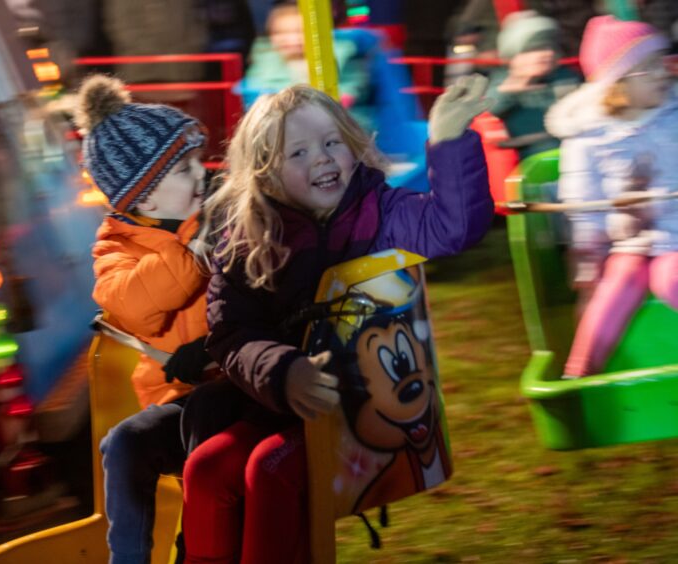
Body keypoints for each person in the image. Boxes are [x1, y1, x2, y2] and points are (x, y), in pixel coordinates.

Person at [181, 75, 495, 564]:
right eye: (299, 153)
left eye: (331, 143)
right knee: (206, 469)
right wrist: (283, 371)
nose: (323, 159)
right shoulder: (249, 239)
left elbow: (452, 228)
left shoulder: (380, 211)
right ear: (265, 173)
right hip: (279, 399)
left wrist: (449, 137)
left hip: (361, 408)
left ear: (352, 145)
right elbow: (232, 331)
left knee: (269, 467)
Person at [75, 75, 215, 563]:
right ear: (144, 198)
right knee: (124, 443)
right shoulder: (116, 247)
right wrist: (194, 256)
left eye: (197, 159)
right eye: (183, 168)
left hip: (240, 382)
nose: (200, 173)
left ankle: (194, 551)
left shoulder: (222, 214)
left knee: (206, 433)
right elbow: (130, 305)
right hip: (179, 393)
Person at [544, 15, 678, 378]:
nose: (664, 73)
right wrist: (590, 255)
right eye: (648, 69)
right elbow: (584, 202)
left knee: (671, 278)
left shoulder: (673, 115)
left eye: (662, 62)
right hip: (630, 240)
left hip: (676, 236)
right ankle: (582, 371)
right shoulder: (589, 136)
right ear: (616, 83)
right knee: (614, 284)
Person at [241, 1, 376, 130]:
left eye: (299, 31)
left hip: (338, 126)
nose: (292, 39)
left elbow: (349, 91)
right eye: (281, 33)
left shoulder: (342, 55)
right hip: (283, 128)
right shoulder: (266, 62)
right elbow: (255, 95)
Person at [486, 10, 582, 161]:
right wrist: (511, 88)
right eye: (534, 49)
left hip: (570, 152)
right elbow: (485, 113)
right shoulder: (503, 82)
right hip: (527, 158)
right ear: (514, 56)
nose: (546, 54)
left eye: (550, 48)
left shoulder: (565, 78)